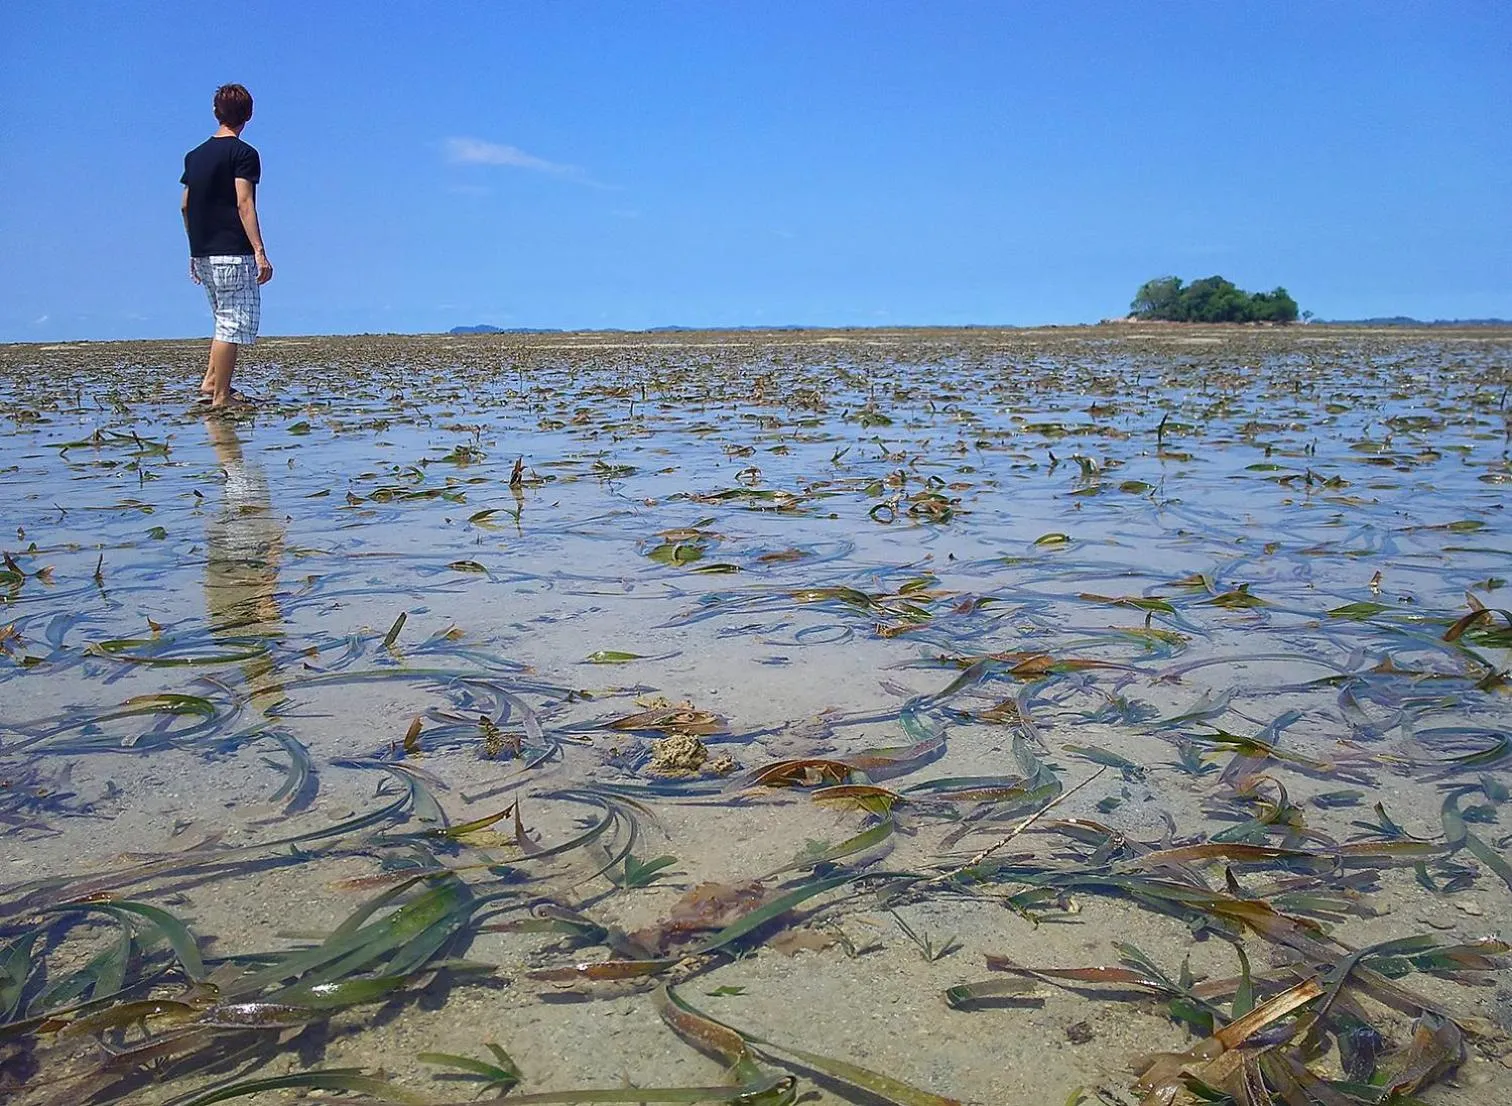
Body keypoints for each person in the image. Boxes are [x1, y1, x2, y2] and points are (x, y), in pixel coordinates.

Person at [181, 83, 273, 408]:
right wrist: (260, 251)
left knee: (222, 318)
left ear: (216, 112)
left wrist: (194, 248)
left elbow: (185, 204)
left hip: (203, 250)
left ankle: (210, 382)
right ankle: (221, 395)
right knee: (232, 322)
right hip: (232, 251)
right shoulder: (243, 154)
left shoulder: (195, 156)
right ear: (247, 115)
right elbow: (244, 203)